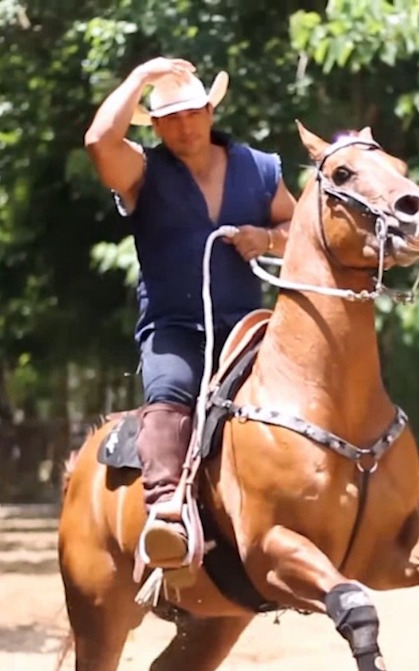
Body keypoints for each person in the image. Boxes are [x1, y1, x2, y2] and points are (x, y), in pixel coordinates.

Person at [84, 57, 296, 569]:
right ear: (154, 126)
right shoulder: (143, 173)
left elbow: (300, 235)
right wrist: (138, 79)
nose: (184, 126)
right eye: (170, 118)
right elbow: (98, 143)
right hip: (173, 328)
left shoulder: (261, 168)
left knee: (309, 388)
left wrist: (267, 238)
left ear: (209, 110)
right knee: (169, 392)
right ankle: (165, 514)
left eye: (192, 113)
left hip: (247, 327)